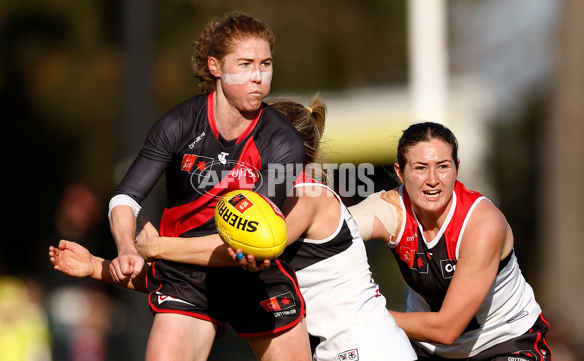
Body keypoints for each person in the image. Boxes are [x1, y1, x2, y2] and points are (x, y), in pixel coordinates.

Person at [50, 96, 417, 361]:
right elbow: (186, 278)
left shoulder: (305, 198)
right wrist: (98, 266)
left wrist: (156, 245)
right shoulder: (270, 200)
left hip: (370, 350)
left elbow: (225, 251)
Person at [106, 11, 310, 361]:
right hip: (186, 279)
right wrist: (126, 247)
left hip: (253, 278)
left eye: (266, 64)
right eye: (245, 64)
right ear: (215, 67)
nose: (258, 77)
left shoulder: (282, 142)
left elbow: (251, 238)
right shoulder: (179, 123)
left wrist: (156, 248)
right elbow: (126, 198)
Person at [348, 122, 552, 360]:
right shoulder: (390, 209)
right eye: (420, 168)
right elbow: (330, 230)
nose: (433, 180)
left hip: (505, 342)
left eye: (442, 166)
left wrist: (363, 314)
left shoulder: (482, 223)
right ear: (400, 173)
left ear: (457, 168)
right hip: (428, 349)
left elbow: (447, 329)